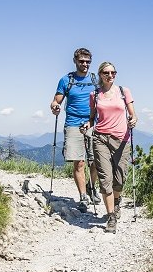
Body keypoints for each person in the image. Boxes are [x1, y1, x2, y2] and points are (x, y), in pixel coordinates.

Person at [85, 61, 137, 232]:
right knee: (105, 178)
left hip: (122, 139)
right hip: (100, 138)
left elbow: (133, 114)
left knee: (119, 179)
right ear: (100, 75)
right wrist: (88, 124)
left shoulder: (124, 92)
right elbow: (92, 117)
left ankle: (117, 201)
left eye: (113, 72)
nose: (110, 76)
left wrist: (133, 119)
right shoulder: (95, 95)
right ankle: (111, 217)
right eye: (106, 73)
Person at [49, 48, 100, 205]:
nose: (85, 64)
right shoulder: (66, 80)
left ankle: (91, 186)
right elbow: (56, 100)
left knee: (96, 161)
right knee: (79, 162)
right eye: (82, 61)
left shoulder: (95, 79)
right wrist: (55, 106)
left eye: (88, 62)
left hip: (93, 122)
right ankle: (83, 196)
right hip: (73, 123)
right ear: (75, 61)